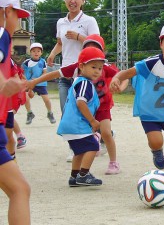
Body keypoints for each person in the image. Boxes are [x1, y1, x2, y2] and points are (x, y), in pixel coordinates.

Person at [27, 34, 128, 174]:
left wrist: (121, 87)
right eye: (87, 48)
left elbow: (124, 75)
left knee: (106, 132)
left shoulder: (103, 66)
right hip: (85, 107)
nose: (91, 51)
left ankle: (113, 163)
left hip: (102, 104)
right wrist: (34, 82)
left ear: (101, 52)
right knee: (83, 136)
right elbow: (54, 74)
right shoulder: (77, 67)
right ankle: (82, 167)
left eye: (96, 48)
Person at [110, 22, 164, 184]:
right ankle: (157, 151)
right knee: (156, 141)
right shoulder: (150, 63)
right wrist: (116, 78)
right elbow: (127, 72)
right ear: (160, 44)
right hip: (149, 114)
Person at [47, 0, 100, 161]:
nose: (73, 1)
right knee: (66, 112)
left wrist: (79, 37)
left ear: (83, 1)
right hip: (65, 73)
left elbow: (96, 44)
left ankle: (105, 134)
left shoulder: (89, 21)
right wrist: (53, 54)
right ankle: (75, 148)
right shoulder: (61, 22)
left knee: (82, 111)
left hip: (82, 74)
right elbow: (61, 43)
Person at [0, 0, 31, 225]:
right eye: (17, 15)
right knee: (19, 190)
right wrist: (3, 84)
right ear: (5, 11)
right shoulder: (1, 33)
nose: (18, 22)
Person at [57, 47, 106, 186]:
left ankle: (74, 177)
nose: (97, 71)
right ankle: (83, 175)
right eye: (93, 67)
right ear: (81, 66)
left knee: (79, 151)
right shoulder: (85, 83)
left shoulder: (78, 81)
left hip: (68, 125)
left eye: (100, 68)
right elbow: (81, 102)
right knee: (93, 146)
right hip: (77, 124)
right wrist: (92, 120)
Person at [22, 42, 56, 125]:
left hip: (41, 83)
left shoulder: (43, 61)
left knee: (46, 99)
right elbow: (22, 73)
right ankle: (30, 113)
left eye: (38, 51)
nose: (36, 53)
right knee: (26, 98)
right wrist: (26, 81)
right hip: (30, 83)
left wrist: (38, 79)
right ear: (30, 52)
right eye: (33, 51)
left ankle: (50, 113)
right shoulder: (27, 62)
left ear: (41, 53)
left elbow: (45, 73)